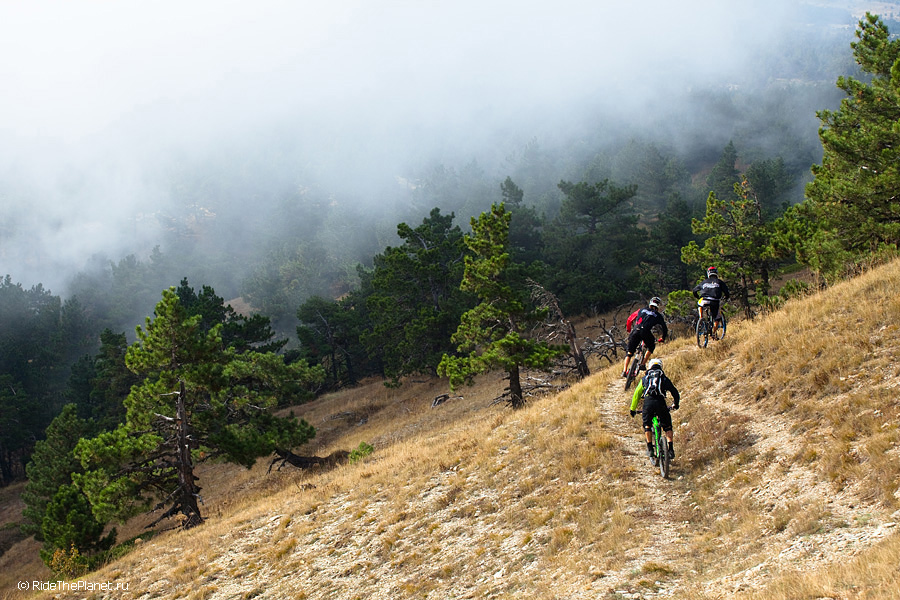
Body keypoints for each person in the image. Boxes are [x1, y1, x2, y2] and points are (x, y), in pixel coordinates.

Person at [629, 358, 680, 460]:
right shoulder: (663, 378)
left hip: (648, 402)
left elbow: (637, 394)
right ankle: (670, 449)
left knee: (647, 425)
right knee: (667, 426)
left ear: (649, 367)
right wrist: (675, 404)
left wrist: (632, 409)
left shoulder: (645, 379)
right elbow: (674, 392)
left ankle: (650, 448)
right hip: (660, 402)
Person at [621, 296, 668, 378]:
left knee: (629, 352)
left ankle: (624, 371)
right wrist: (663, 338)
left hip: (635, 331)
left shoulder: (641, 310)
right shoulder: (658, 315)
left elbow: (630, 319)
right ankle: (642, 364)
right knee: (651, 346)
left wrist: (629, 330)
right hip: (645, 332)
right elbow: (664, 328)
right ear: (658, 306)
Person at [692, 266, 730, 336]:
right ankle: (713, 333)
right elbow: (726, 292)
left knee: (699, 304)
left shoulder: (703, 282)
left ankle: (701, 318)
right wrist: (726, 297)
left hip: (704, 300)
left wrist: (697, 297)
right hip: (714, 301)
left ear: (708, 273)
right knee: (717, 318)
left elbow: (694, 290)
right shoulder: (719, 282)